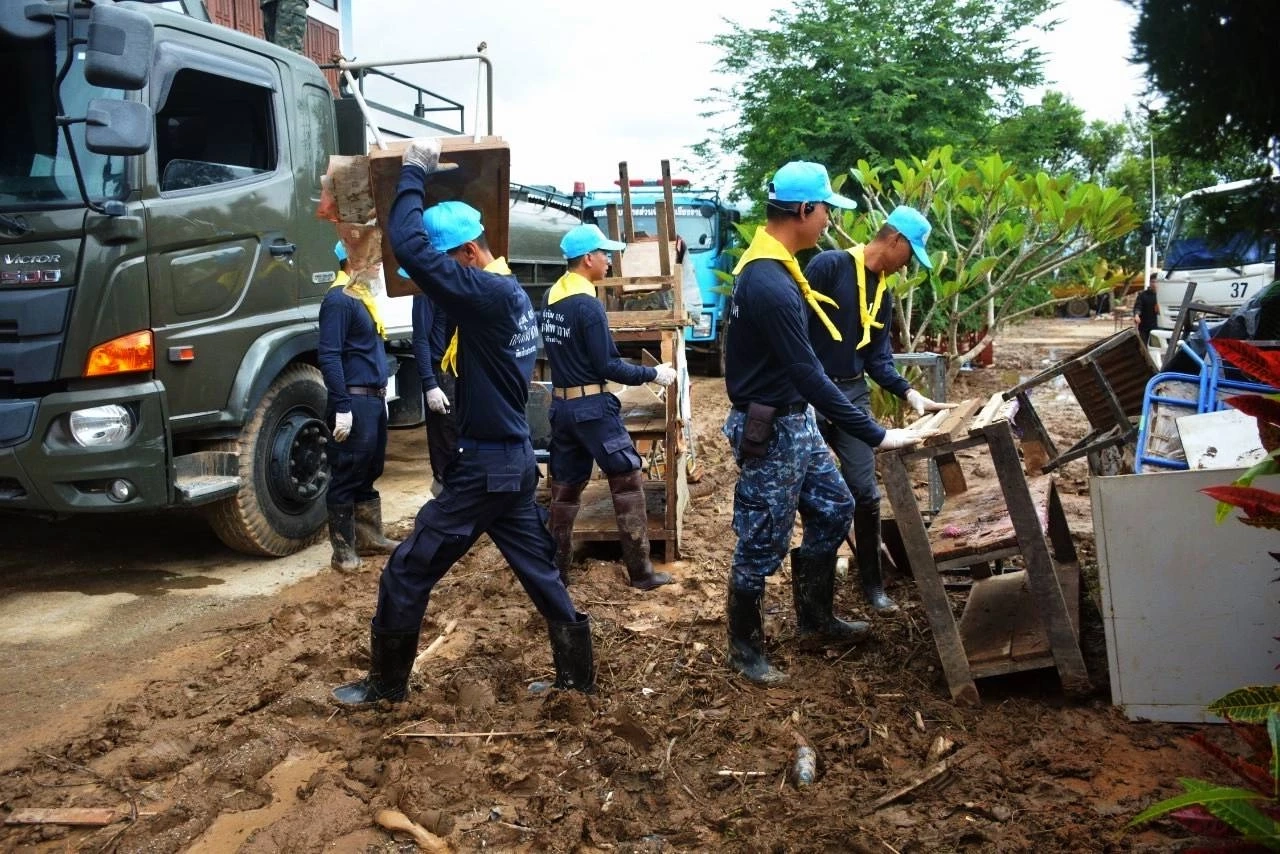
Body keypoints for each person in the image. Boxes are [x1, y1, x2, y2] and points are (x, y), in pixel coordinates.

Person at [332, 139, 592, 706]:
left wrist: (415, 175)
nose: (435, 284)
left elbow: (412, 249)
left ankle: (386, 686)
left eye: (445, 271)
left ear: (469, 255)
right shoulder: (509, 294)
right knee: (541, 574)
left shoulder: (489, 297)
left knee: (406, 570)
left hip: (484, 470)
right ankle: (579, 676)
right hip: (514, 465)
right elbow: (427, 271)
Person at [721, 161, 919, 686]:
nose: (830, 218)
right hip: (773, 425)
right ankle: (745, 651)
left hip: (797, 421)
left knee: (836, 508)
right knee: (761, 540)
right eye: (826, 208)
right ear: (804, 210)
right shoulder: (768, 282)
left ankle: (814, 618)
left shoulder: (782, 267)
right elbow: (809, 372)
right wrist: (877, 432)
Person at [806, 207, 953, 617]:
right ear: (895, 241)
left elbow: (878, 359)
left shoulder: (882, 292)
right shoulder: (829, 266)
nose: (908, 266)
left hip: (851, 395)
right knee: (813, 498)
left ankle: (872, 585)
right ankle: (814, 602)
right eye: (911, 255)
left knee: (865, 493)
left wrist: (910, 394)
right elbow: (796, 330)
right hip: (810, 395)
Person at [539, 224, 679, 591]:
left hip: (563, 409)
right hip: (592, 409)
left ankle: (558, 574)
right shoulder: (588, 306)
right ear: (588, 259)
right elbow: (607, 365)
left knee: (565, 490)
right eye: (604, 254)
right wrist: (654, 373)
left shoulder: (551, 298)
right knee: (627, 479)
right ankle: (642, 572)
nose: (609, 261)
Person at [318, 241, 401, 573]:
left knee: (369, 468)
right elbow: (329, 355)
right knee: (348, 472)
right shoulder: (338, 300)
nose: (380, 265)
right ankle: (342, 552)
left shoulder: (361, 299)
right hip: (354, 398)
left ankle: (369, 538)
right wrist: (342, 405)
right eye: (373, 259)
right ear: (353, 260)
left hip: (372, 398)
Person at [409, 273, 458, 497]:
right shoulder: (425, 289)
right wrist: (430, 384)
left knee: (458, 443)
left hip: (457, 372)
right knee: (444, 446)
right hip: (440, 374)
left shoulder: (454, 282)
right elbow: (420, 338)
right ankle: (444, 500)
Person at [1133, 273, 1161, 347]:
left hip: (1158, 327)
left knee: (1155, 348)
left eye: (1156, 282)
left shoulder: (1164, 295)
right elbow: (1138, 307)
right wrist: (1136, 315)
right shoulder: (1143, 295)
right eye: (1153, 281)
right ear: (1150, 282)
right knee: (1143, 347)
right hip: (1144, 326)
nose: (1154, 284)